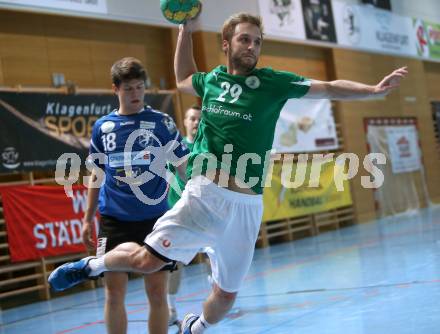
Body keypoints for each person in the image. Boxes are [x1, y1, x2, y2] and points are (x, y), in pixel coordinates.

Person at [48, 12, 408, 334]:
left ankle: (196, 326)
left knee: (225, 298)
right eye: (244, 39)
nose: (252, 46)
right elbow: (183, 76)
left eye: (257, 41)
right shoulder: (212, 81)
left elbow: (327, 87)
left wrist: (373, 91)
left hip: (247, 207)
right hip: (205, 194)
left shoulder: (273, 82)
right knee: (146, 261)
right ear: (227, 44)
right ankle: (92, 265)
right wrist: (185, 30)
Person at [80, 57, 188, 334]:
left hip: (154, 219)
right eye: (129, 88)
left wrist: (196, 201)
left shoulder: (161, 122)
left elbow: (182, 166)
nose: (136, 94)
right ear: (115, 89)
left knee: (156, 293)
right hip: (114, 221)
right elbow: (96, 174)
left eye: (140, 87)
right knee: (114, 294)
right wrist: (87, 217)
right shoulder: (103, 128)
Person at [166, 104, 201, 327]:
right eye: (192, 118)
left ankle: (218, 289)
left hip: (205, 209)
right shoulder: (177, 147)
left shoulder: (209, 147)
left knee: (213, 252)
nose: (196, 122)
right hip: (179, 209)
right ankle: (170, 306)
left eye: (199, 119)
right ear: (185, 123)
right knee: (175, 260)